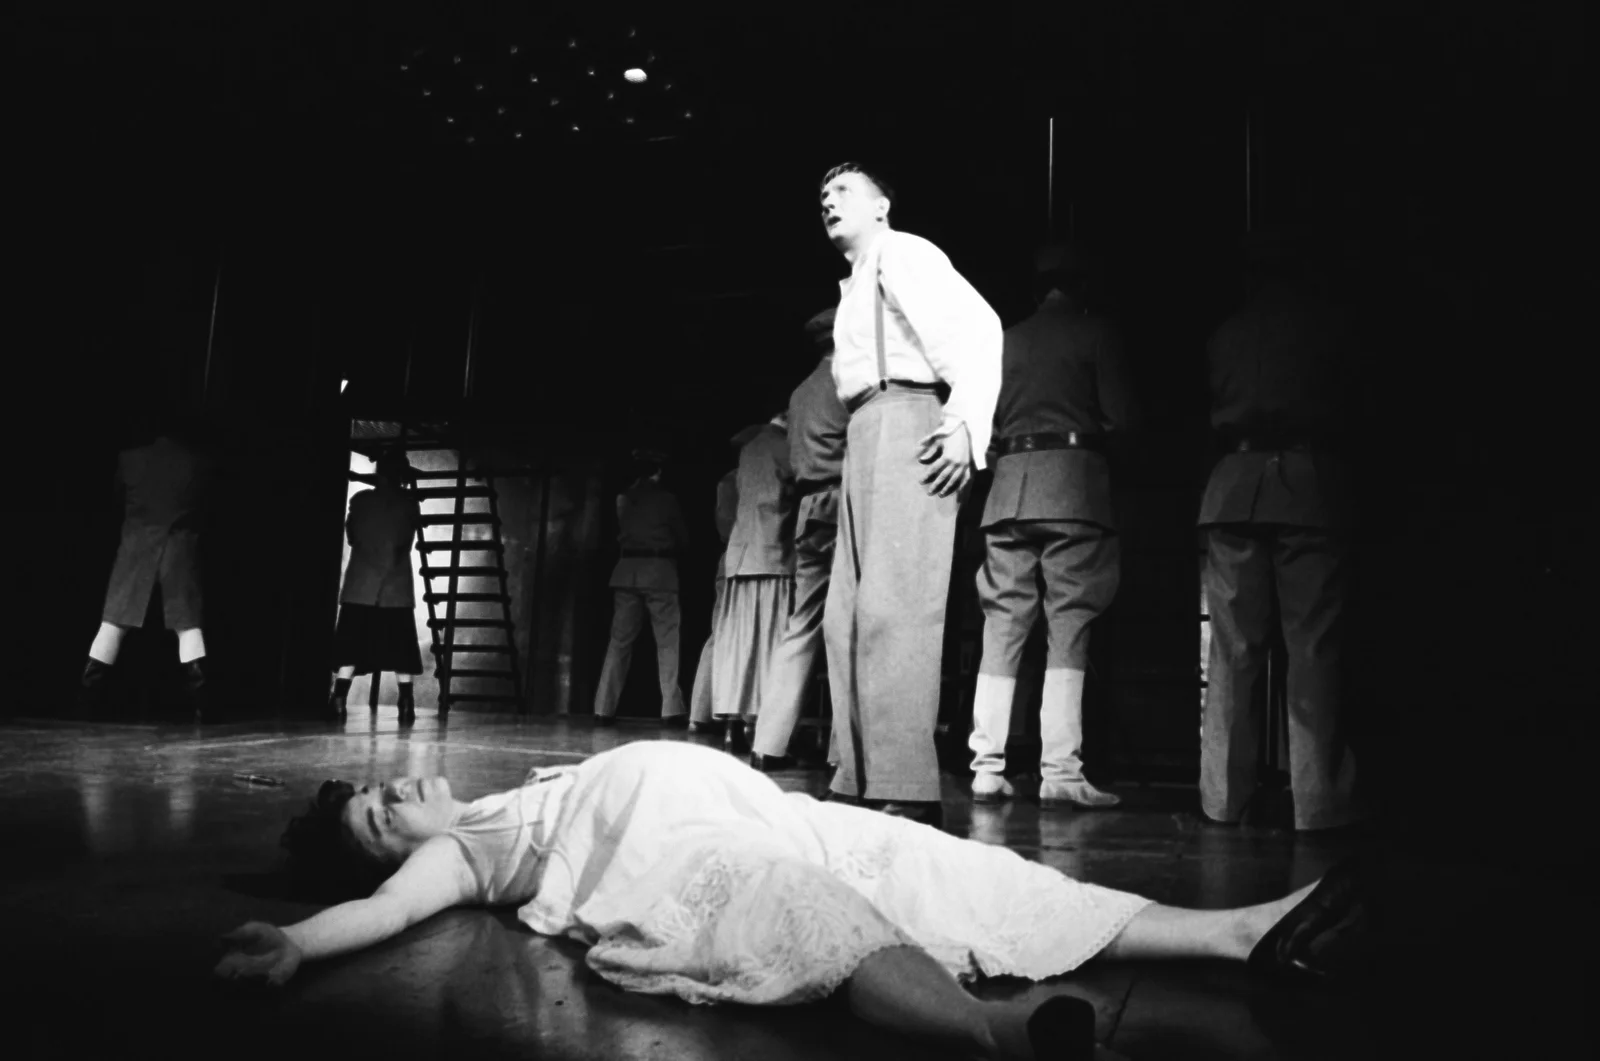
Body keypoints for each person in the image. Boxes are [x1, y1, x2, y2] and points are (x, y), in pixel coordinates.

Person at [215, 740, 1361, 1060]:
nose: (395, 795)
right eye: (380, 818)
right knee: (812, 913)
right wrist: (299, 942)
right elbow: (382, 914)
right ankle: (991, 1034)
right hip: (686, 858)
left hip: (775, 809)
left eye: (379, 789)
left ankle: (1241, 931)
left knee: (963, 869)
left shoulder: (516, 785)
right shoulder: (460, 857)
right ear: (395, 855)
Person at [818, 162, 1003, 827]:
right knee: (847, 613)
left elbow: (978, 329)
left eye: (843, 191)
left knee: (897, 606)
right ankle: (858, 771)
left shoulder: (903, 251)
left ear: (882, 206)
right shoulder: (858, 280)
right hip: (866, 427)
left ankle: (905, 781)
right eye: (823, 196)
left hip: (907, 418)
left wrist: (964, 423)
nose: (828, 201)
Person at [1198, 226, 1366, 832]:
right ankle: (1317, 804)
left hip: (1235, 486)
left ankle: (1223, 799)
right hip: (1308, 486)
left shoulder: (1225, 334)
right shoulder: (1328, 328)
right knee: (1312, 648)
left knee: (1232, 651)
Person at [969, 244, 1138, 809]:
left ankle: (986, 767)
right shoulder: (1097, 333)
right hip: (1074, 489)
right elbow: (1122, 419)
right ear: (1083, 285)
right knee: (1069, 626)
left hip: (1009, 490)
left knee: (1001, 627)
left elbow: (985, 430)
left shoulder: (1004, 340)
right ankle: (1061, 772)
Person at [750, 307, 850, 772]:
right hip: (843, 505)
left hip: (808, 509)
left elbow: (793, 462)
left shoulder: (800, 392)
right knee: (847, 626)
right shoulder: (850, 383)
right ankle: (843, 754)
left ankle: (767, 742)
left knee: (802, 625)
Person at [78, 412, 217, 722]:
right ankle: (202, 710)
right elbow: (206, 509)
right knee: (188, 628)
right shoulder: (198, 463)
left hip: (136, 549)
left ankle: (86, 704)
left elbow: (116, 501)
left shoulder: (130, 460)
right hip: (179, 548)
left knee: (113, 625)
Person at [710, 412, 797, 751]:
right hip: (771, 553)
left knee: (738, 643)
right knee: (771, 642)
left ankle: (732, 725)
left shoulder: (749, 449)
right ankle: (760, 725)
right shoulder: (785, 447)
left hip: (740, 555)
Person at [593, 450, 691, 725]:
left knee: (619, 642)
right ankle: (671, 708)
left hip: (627, 572)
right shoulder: (666, 500)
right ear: (658, 470)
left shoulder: (622, 498)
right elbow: (682, 538)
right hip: (659, 573)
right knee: (667, 642)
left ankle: (603, 707)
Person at [327, 451, 424, 724]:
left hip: (361, 585)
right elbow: (406, 539)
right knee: (402, 649)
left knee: (350, 646)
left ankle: (338, 700)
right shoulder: (409, 504)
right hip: (395, 588)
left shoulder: (360, 501)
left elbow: (352, 536)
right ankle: (406, 703)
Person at [688, 466, 739, 731]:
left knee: (720, 635)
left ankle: (702, 713)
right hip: (739, 557)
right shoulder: (731, 481)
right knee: (721, 635)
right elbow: (726, 527)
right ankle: (704, 712)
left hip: (736, 557)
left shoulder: (729, 480)